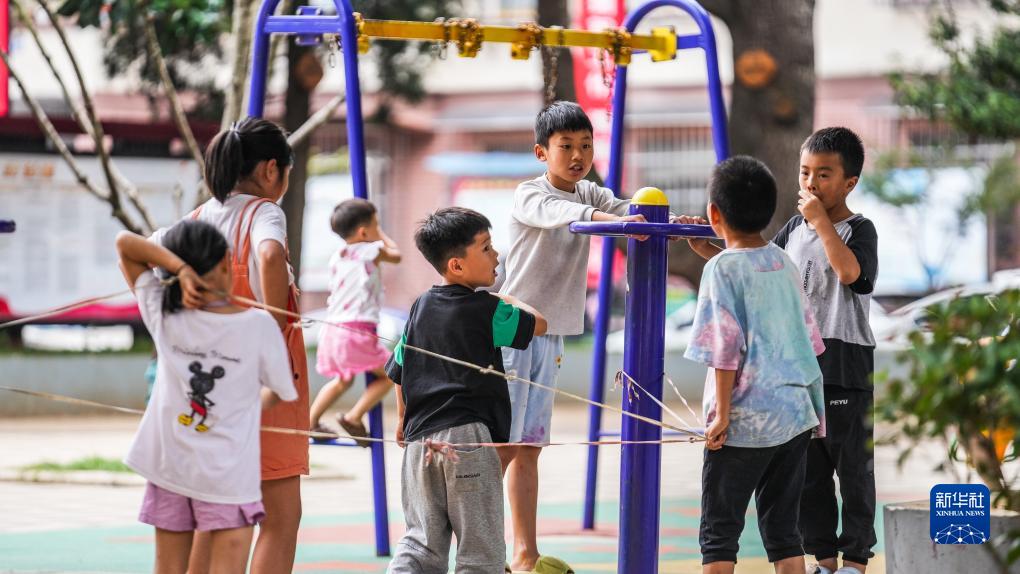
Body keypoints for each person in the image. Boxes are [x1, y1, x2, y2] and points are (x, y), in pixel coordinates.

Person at [681, 129, 878, 574]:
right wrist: (710, 248)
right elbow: (756, 273)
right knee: (804, 494)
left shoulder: (858, 229)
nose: (811, 183)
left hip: (834, 370)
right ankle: (825, 561)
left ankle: (854, 560)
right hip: (798, 389)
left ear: (850, 182)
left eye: (823, 174)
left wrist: (722, 412)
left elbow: (851, 275)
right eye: (805, 173)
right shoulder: (788, 241)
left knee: (851, 472)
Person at [152, 117, 307, 573]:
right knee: (280, 517)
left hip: (206, 388)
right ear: (271, 170)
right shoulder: (264, 212)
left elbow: (145, 252)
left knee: (214, 514)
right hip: (264, 386)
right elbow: (269, 254)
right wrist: (272, 332)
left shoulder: (196, 219)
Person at [497, 100, 644, 573]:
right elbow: (563, 212)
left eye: (586, 145)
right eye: (566, 146)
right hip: (513, 333)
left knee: (529, 448)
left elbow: (627, 209)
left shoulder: (590, 192)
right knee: (501, 447)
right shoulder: (530, 193)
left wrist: (667, 219)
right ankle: (478, 545)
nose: (578, 155)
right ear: (542, 152)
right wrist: (618, 222)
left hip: (551, 334)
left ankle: (524, 553)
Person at [117, 220, 297, 574]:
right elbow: (278, 391)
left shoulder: (164, 311)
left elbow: (125, 244)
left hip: (170, 469)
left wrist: (179, 269)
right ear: (227, 262)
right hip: (229, 475)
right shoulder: (259, 325)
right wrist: (245, 405)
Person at [680, 156, 826, 574]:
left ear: (714, 214)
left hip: (744, 425)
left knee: (719, 535)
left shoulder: (720, 270)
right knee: (784, 533)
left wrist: (722, 415)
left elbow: (725, 348)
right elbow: (808, 339)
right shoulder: (782, 261)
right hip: (794, 417)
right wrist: (713, 252)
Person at [385, 207, 547, 574]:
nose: (496, 255)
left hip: (419, 441)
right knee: (480, 550)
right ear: (456, 265)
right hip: (468, 438)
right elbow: (539, 324)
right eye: (486, 248)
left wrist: (402, 420)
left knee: (420, 544)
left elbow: (399, 369)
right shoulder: (488, 309)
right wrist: (509, 297)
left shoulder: (419, 306)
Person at [309, 198, 401, 446]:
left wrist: (374, 230)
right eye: (376, 224)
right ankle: (354, 416)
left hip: (332, 329)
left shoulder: (338, 255)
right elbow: (397, 256)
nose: (378, 230)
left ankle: (312, 420)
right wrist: (381, 235)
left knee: (343, 381)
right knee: (391, 375)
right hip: (357, 329)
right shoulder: (372, 250)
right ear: (363, 232)